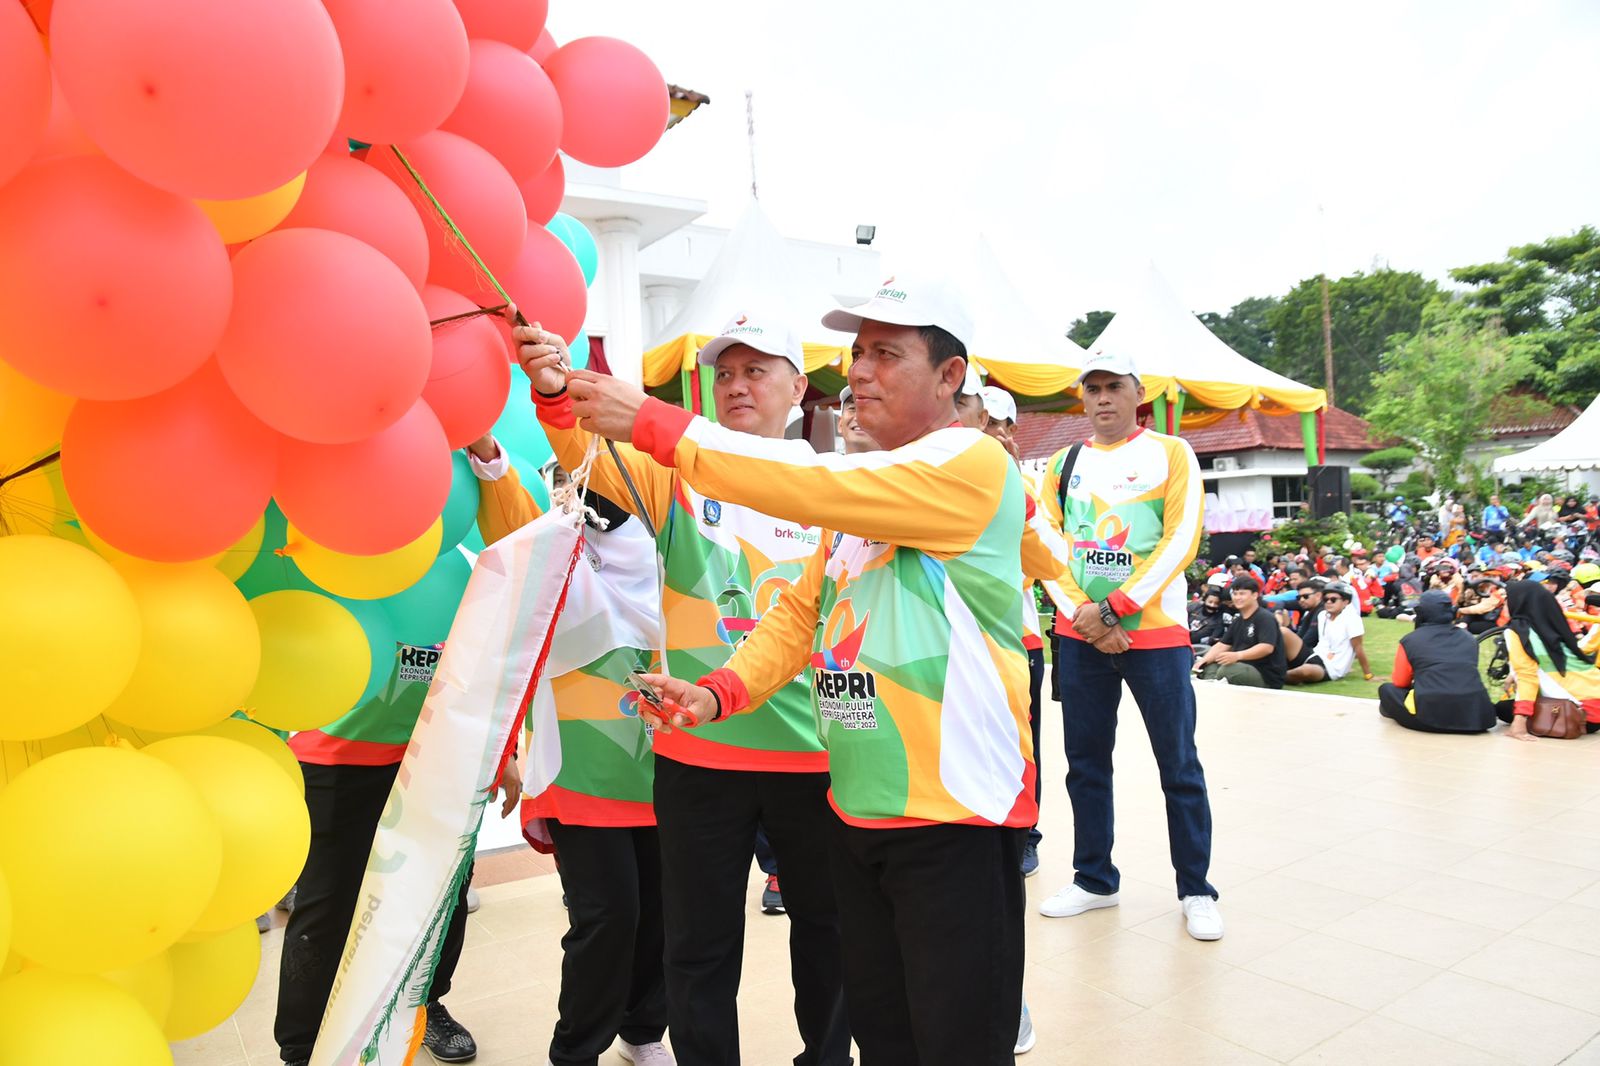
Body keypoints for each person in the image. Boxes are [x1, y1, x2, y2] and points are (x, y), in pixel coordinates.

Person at [548, 274, 1036, 1064]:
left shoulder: (967, 463)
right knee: (882, 1038)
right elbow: (798, 617)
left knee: (953, 1043)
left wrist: (654, 421)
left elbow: (809, 484)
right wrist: (714, 693)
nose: (863, 372)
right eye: (857, 353)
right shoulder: (854, 509)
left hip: (953, 819)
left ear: (951, 377)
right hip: (857, 811)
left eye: (887, 354)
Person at [515, 311, 851, 1066]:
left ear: (798, 387)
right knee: (697, 948)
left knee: (828, 937)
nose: (737, 386)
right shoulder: (680, 477)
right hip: (701, 757)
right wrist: (552, 393)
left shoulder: (833, 487)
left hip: (814, 757)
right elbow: (590, 460)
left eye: (756, 371)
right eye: (724, 373)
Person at [273, 435, 520, 1066]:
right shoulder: (320, 552)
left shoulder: (457, 565)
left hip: (436, 755)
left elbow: (486, 662)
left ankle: (426, 1002)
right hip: (334, 755)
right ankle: (300, 1044)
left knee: (444, 896)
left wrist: (506, 749)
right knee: (327, 905)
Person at [473, 450, 673, 1066]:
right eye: (571, 487)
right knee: (608, 918)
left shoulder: (665, 556)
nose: (589, 500)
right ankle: (576, 1050)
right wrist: (488, 456)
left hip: (662, 771)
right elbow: (512, 520)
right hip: (579, 774)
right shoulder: (557, 555)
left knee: (660, 917)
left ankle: (642, 1030)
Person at [1037, 347, 1222, 944]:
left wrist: (1116, 608)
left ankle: (1196, 889)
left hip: (1156, 636)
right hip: (1079, 634)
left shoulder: (1172, 453)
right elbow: (1045, 546)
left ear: (1137, 393)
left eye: (1114, 386)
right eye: (1092, 389)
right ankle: (1094, 879)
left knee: (1180, 767)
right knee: (1086, 765)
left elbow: (1181, 541)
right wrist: (1084, 615)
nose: (1103, 398)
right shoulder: (1064, 463)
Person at [1379, 590, 1497, 732]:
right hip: (1477, 717)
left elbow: (1400, 682)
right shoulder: (1468, 638)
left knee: (1387, 690)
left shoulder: (1410, 640)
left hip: (1430, 717)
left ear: (1421, 612)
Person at [1499, 581, 1600, 740]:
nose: (1505, 603)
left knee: (1501, 709)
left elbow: (1527, 676)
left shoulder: (1518, 631)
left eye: (1507, 599)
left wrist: (1519, 724)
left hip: (1579, 715)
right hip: (1595, 707)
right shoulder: (1554, 622)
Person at [1196, 575, 1287, 689]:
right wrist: (1203, 661)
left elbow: (1267, 647)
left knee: (1227, 670)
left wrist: (1238, 655)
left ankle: (1215, 683)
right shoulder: (1238, 621)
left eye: (1242, 594)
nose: (1237, 597)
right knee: (1210, 665)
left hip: (1265, 675)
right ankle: (1213, 684)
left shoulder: (1265, 618)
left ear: (1254, 595)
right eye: (1235, 593)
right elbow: (1222, 645)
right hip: (1241, 666)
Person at [1284, 582, 1372, 684]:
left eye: (1333, 600)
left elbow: (1358, 648)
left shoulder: (1352, 619)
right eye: (1326, 599)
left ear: (1345, 602)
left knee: (1305, 671)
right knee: (1284, 632)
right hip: (1314, 655)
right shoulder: (1322, 615)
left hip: (1331, 667)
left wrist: (1368, 674)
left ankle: (1277, 676)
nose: (1329, 602)